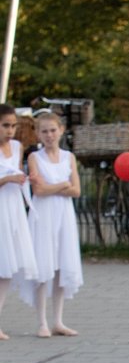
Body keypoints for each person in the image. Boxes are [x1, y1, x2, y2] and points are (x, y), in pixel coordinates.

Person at [21, 113, 82, 338]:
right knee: (44, 267)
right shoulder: (35, 158)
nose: (49, 135)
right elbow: (39, 190)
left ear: (61, 130)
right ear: (38, 134)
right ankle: (42, 321)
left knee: (61, 267)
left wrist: (53, 186)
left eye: (52, 130)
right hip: (43, 215)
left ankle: (58, 320)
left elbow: (76, 190)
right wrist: (62, 185)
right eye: (44, 131)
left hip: (63, 215)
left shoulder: (69, 157)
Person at [0, 103, 37, 339]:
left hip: (11, 207)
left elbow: (18, 173)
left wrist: (24, 178)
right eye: (5, 125)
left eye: (13, 125)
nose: (10, 130)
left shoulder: (17, 147)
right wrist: (8, 179)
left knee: (5, 269)